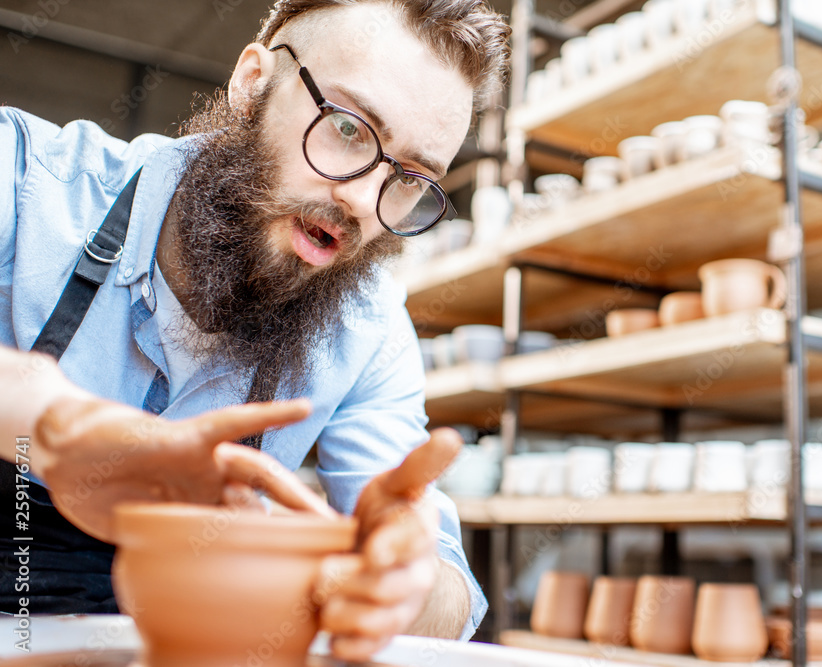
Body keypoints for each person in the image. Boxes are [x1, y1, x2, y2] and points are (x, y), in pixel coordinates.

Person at [0, 0, 509, 659]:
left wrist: (401, 584)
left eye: (411, 178)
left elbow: (446, 583)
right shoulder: (26, 179)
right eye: (349, 130)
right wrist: (54, 422)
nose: (362, 200)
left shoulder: (369, 329)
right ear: (250, 83)